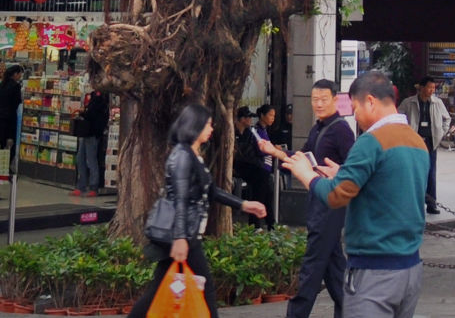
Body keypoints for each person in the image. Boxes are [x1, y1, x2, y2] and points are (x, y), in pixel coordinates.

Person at [286, 69, 430, 318]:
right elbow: (387, 185)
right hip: (410, 269)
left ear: (370, 101)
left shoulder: (371, 141)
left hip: (374, 271)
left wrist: (307, 175)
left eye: (355, 108)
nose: (355, 115)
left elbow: (336, 195)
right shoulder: (417, 141)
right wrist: (343, 173)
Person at [124, 103, 262, 318]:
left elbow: (211, 190)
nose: (211, 129)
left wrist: (243, 204)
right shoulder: (182, 156)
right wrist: (180, 238)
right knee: (205, 288)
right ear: (195, 126)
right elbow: (180, 199)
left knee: (158, 290)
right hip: (184, 235)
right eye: (208, 125)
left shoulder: (192, 154)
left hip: (185, 234)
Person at [283, 80, 357, 318]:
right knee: (334, 268)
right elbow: (303, 158)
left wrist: (338, 173)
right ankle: (350, 311)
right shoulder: (317, 128)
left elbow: (353, 167)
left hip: (331, 206)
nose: (319, 104)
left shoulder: (341, 130)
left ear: (335, 100)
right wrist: (277, 153)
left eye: (324, 99)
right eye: (315, 100)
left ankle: (296, 314)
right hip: (317, 202)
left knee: (312, 266)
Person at [394, 77, 447, 215]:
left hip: (430, 141)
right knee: (413, 172)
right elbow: (398, 117)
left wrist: (441, 133)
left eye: (433, 88)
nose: (431, 90)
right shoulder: (409, 102)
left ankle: (431, 203)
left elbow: (446, 118)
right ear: (421, 88)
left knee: (431, 173)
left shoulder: (437, 102)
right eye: (429, 87)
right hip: (414, 142)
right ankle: (413, 203)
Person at [74, 78, 111, 196]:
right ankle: (82, 185)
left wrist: (82, 113)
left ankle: (93, 187)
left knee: (91, 159)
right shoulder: (94, 95)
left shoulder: (101, 96)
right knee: (80, 158)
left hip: (93, 132)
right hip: (86, 131)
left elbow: (93, 113)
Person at [0, 64, 25, 156]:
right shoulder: (16, 86)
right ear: (15, 74)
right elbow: (17, 102)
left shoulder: (2, 84)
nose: (20, 76)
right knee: (11, 142)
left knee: (0, 142)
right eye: (20, 74)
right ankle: (8, 161)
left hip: (0, 116)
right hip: (11, 118)